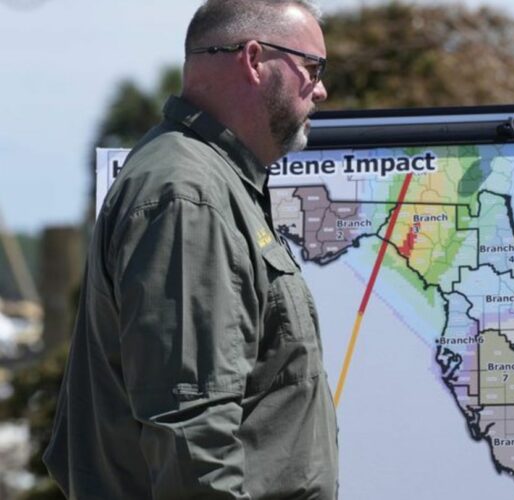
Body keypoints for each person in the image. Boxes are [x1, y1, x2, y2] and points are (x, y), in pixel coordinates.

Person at [43, 1, 338, 498]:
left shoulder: (208, 181)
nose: (321, 90)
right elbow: (190, 431)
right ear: (252, 59)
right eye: (312, 69)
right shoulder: (188, 195)